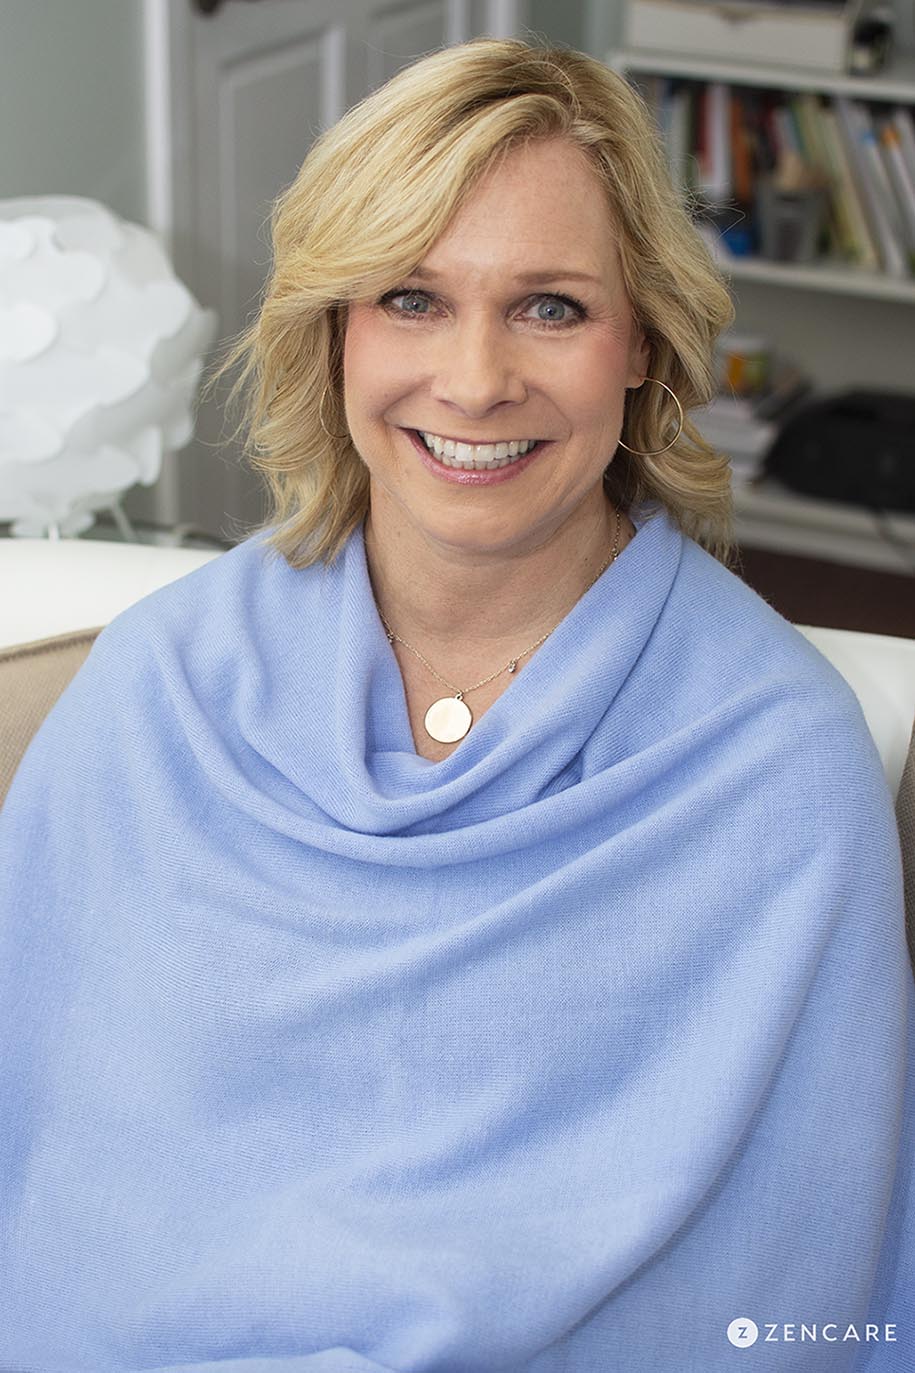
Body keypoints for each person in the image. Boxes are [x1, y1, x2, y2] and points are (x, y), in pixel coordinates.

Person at [0, 37, 911, 1373]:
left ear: (642, 344)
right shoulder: (159, 689)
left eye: (550, 307)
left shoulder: (775, 762)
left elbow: (793, 1266)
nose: (477, 381)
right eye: (412, 298)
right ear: (336, 332)